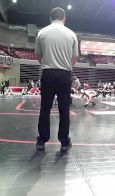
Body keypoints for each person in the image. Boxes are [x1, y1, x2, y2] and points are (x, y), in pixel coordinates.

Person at [35, 7, 78, 152]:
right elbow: (75, 58)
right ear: (64, 18)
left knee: (45, 108)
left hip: (47, 73)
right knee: (64, 109)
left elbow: (38, 56)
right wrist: (65, 67)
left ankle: (42, 140)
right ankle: (64, 142)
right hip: (64, 75)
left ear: (50, 18)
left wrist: (48, 65)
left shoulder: (42, 33)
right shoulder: (71, 34)